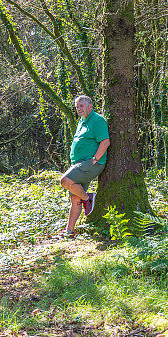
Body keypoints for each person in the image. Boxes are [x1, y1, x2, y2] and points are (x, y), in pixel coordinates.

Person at [59, 95, 110, 237]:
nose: (78, 108)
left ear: (90, 106)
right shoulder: (81, 122)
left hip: (91, 163)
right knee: (75, 199)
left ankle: (88, 198)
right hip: (79, 164)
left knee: (65, 181)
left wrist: (95, 159)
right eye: (77, 106)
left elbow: (105, 142)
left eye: (81, 105)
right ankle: (69, 231)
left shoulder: (97, 120)